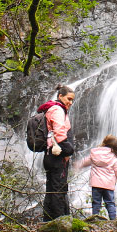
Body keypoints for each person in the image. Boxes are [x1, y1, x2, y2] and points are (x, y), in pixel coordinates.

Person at [40, 84, 75, 221]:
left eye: (72, 100)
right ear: (60, 96)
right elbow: (59, 132)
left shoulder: (53, 108)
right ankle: (60, 223)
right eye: (68, 99)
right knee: (58, 189)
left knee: (52, 188)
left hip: (51, 155)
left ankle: (48, 221)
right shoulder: (57, 110)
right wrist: (69, 150)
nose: (70, 103)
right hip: (56, 156)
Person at [76, 134, 117, 220]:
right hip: (108, 184)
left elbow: (86, 161)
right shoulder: (113, 158)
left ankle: (95, 218)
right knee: (110, 203)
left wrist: (78, 165)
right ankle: (113, 220)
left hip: (96, 184)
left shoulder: (94, 154)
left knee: (96, 203)